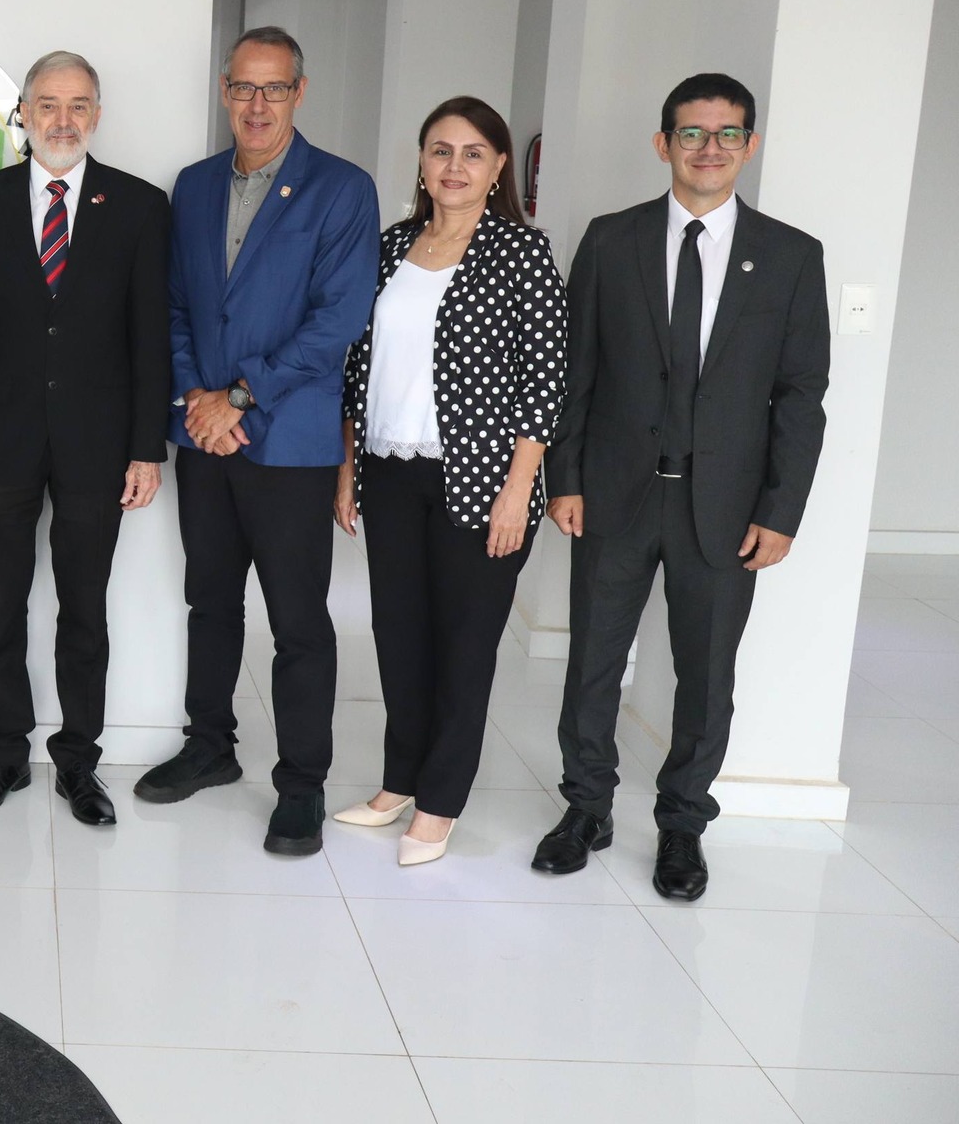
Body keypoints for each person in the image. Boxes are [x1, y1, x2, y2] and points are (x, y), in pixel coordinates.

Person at [536, 73, 828, 900]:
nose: (709, 149)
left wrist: (781, 512)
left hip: (727, 511)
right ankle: (586, 808)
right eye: (692, 133)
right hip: (616, 495)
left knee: (705, 677)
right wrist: (566, 477)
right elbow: (575, 373)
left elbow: (802, 396)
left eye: (726, 134)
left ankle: (681, 826)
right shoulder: (611, 238)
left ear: (750, 145)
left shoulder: (791, 256)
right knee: (592, 662)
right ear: (662, 143)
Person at [138, 25, 377, 858]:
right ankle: (210, 745)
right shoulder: (194, 186)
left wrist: (237, 397)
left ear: (299, 94)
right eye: (244, 87)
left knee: (299, 622)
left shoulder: (341, 189)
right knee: (210, 599)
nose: (258, 103)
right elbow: (171, 307)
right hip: (205, 441)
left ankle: (302, 784)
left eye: (274, 89)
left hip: (289, 444)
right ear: (224, 89)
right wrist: (196, 402)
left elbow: (339, 320)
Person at [0, 51, 170, 826]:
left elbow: (149, 339)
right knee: (2, 603)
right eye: (47, 105)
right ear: (25, 114)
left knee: (85, 607)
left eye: (78, 106)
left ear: (95, 115)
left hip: (98, 444)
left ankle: (78, 762)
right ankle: (4, 756)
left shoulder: (138, 206)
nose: (62, 120)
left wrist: (147, 446)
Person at [332, 96, 566, 865]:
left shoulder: (520, 253)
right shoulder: (391, 246)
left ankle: (441, 801)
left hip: (484, 481)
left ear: (499, 165)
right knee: (398, 633)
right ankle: (401, 777)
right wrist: (348, 467)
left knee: (464, 644)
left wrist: (518, 487)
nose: (454, 166)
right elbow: (357, 367)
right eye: (440, 150)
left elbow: (545, 380)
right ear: (422, 162)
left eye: (472, 153)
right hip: (392, 470)